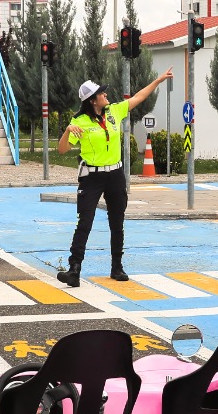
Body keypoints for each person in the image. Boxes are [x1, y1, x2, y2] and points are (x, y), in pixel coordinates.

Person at [55, 72, 172, 286]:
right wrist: (67, 131)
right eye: (101, 93)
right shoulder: (79, 122)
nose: (106, 94)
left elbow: (138, 97)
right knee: (85, 223)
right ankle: (74, 269)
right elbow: (62, 150)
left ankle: (117, 266)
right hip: (92, 177)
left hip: (115, 175)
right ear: (92, 100)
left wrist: (158, 80)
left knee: (117, 223)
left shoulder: (114, 112)